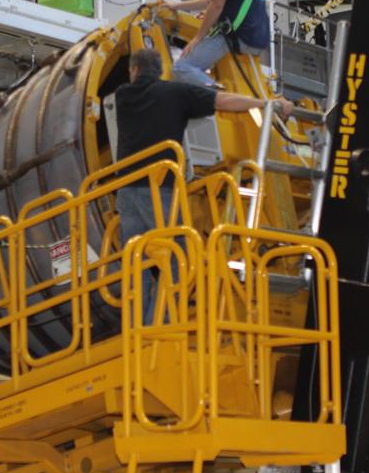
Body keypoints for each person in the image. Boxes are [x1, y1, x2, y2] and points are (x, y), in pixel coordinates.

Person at [114, 48, 292, 324]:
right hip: (159, 188)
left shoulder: (123, 96)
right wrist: (264, 103)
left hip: (126, 191)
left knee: (136, 261)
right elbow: (225, 101)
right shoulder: (175, 93)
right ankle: (156, 327)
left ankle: (135, 327)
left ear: (134, 70)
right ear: (161, 70)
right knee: (179, 258)